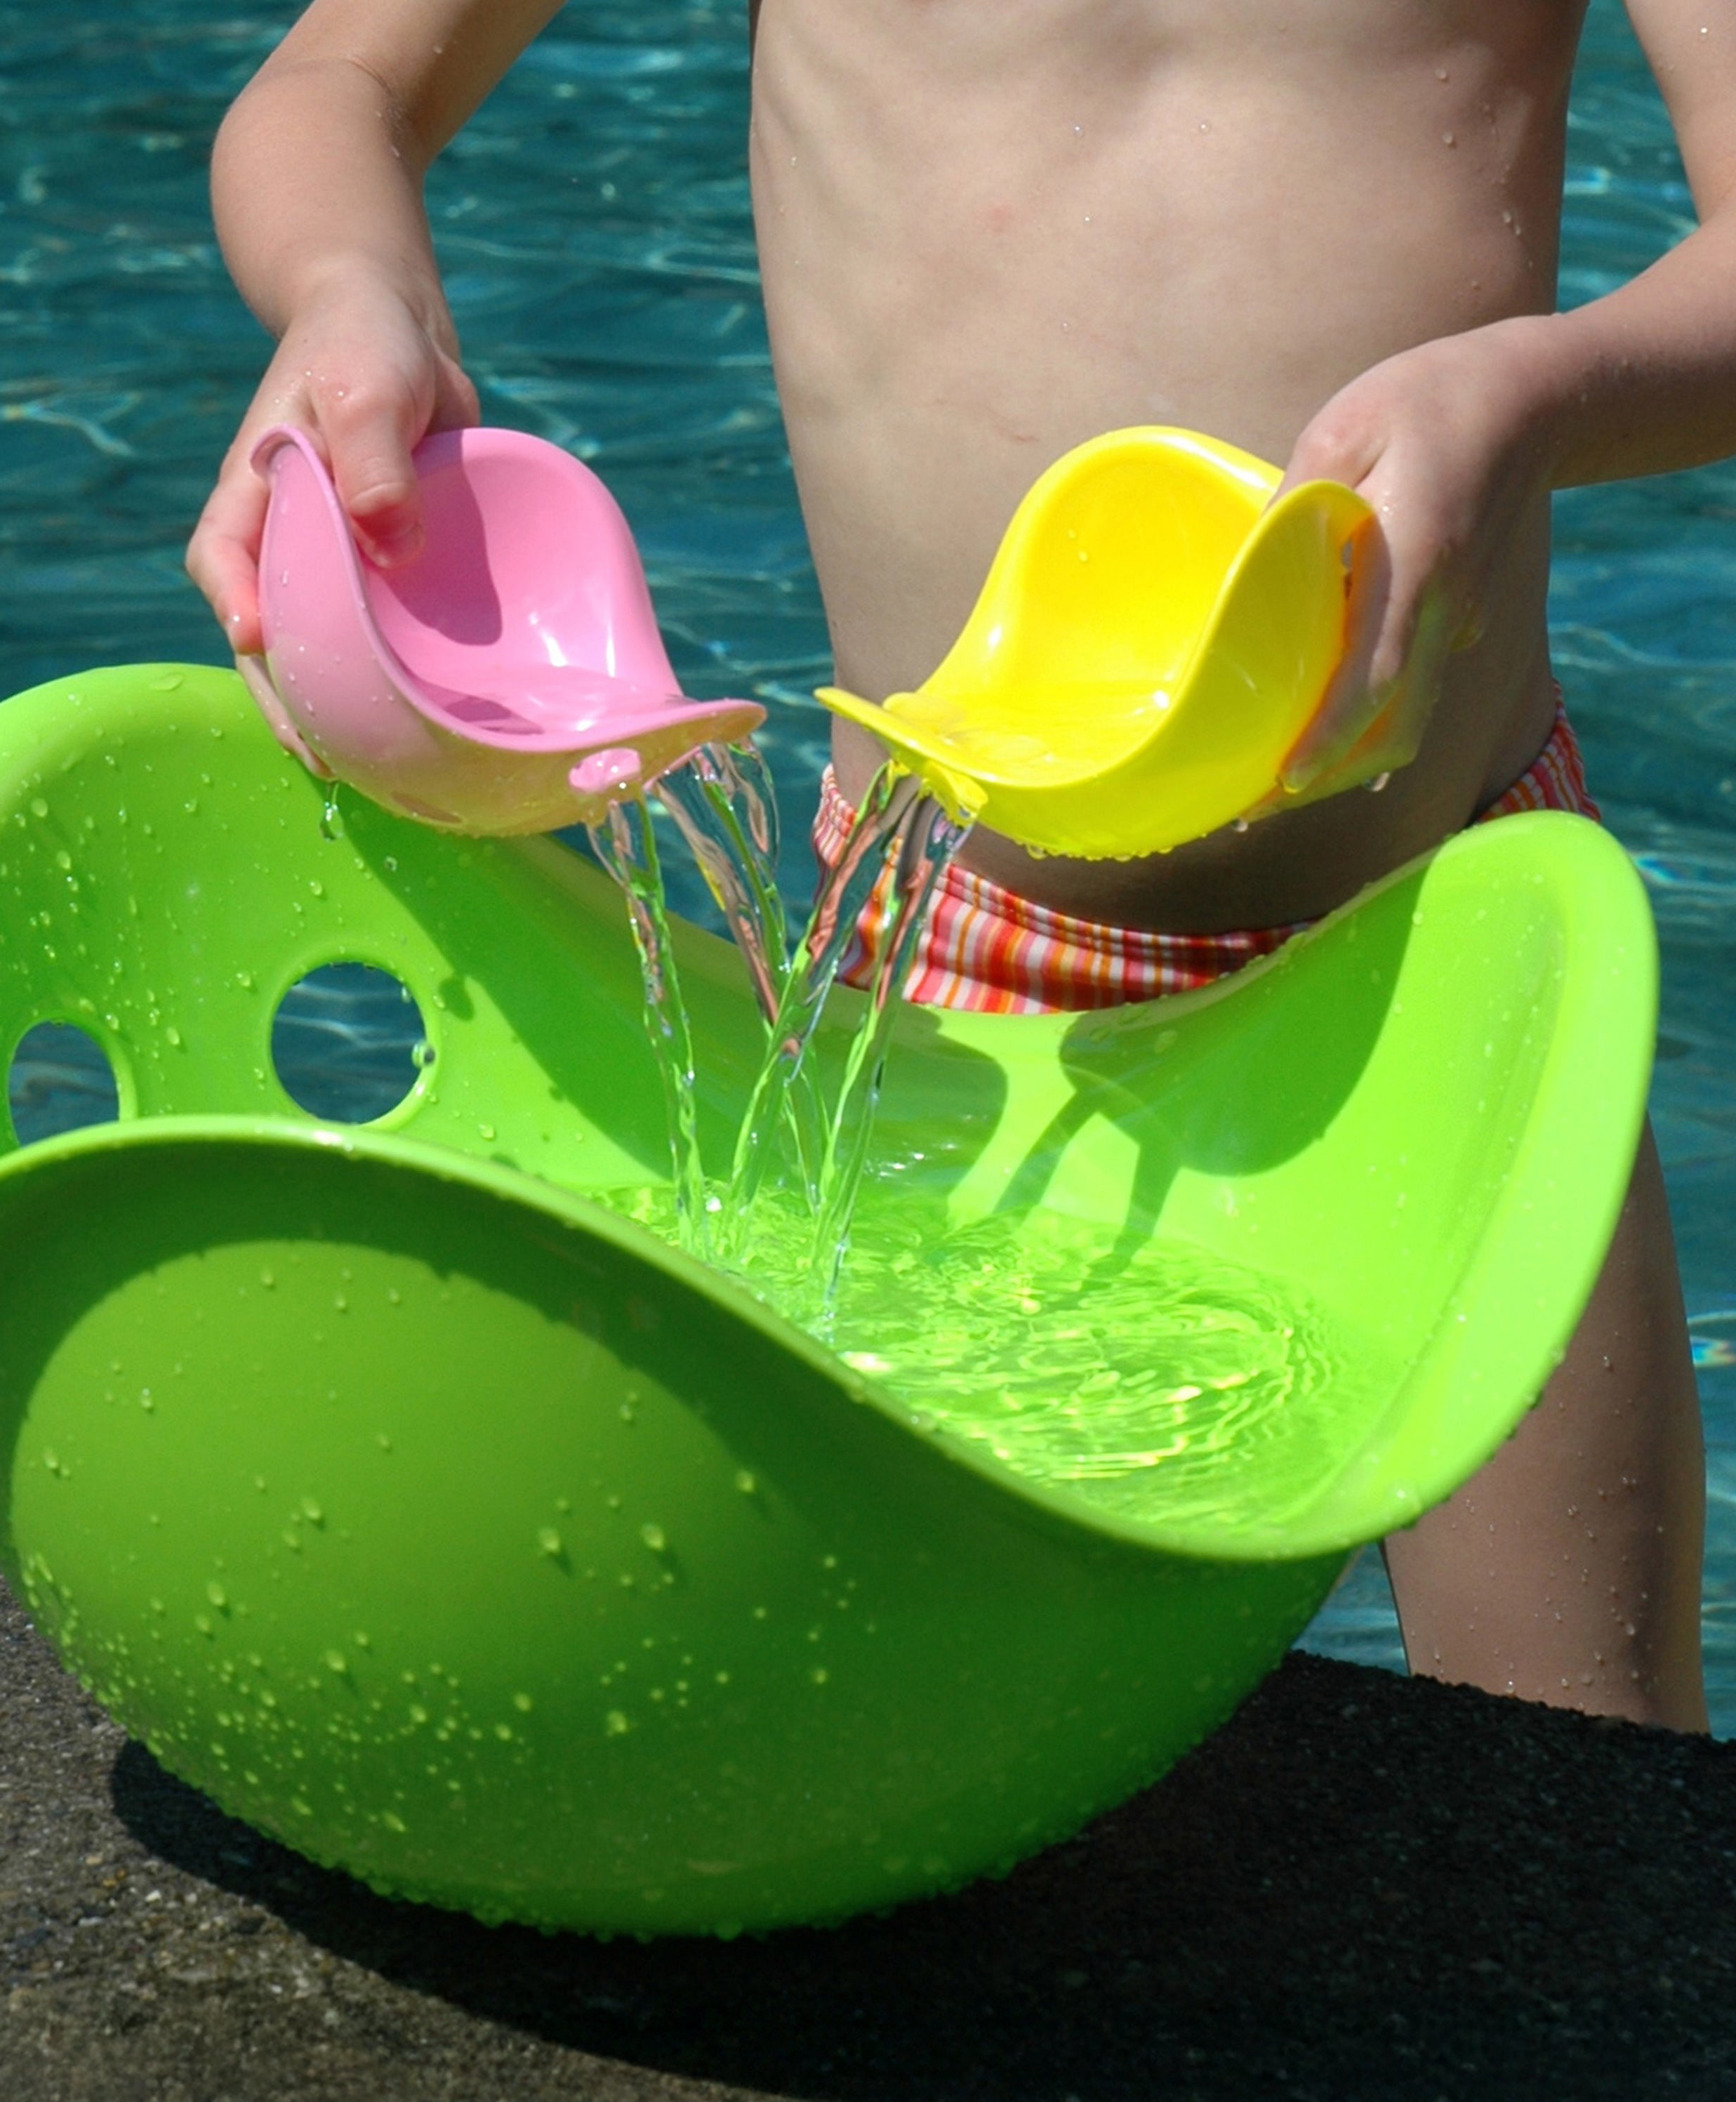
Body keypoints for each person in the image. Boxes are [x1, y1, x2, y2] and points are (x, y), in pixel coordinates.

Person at [189, 0, 1730, 1731]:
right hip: (935, 978)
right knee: (891, 1755)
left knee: (1593, 1790)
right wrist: (352, 294)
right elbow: (339, 81)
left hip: (1442, 929)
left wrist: (1530, 394)